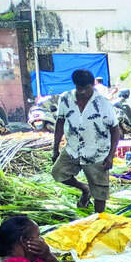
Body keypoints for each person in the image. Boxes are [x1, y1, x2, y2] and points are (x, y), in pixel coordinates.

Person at [52, 69, 120, 213]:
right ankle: (84, 188)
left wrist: (111, 156)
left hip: (97, 152)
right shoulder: (65, 98)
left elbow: (115, 129)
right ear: (75, 85)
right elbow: (60, 122)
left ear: (92, 85)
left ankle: (97, 221)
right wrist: (55, 148)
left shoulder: (103, 103)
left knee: (100, 193)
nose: (82, 92)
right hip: (72, 150)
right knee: (57, 173)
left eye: (86, 88)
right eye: (79, 88)